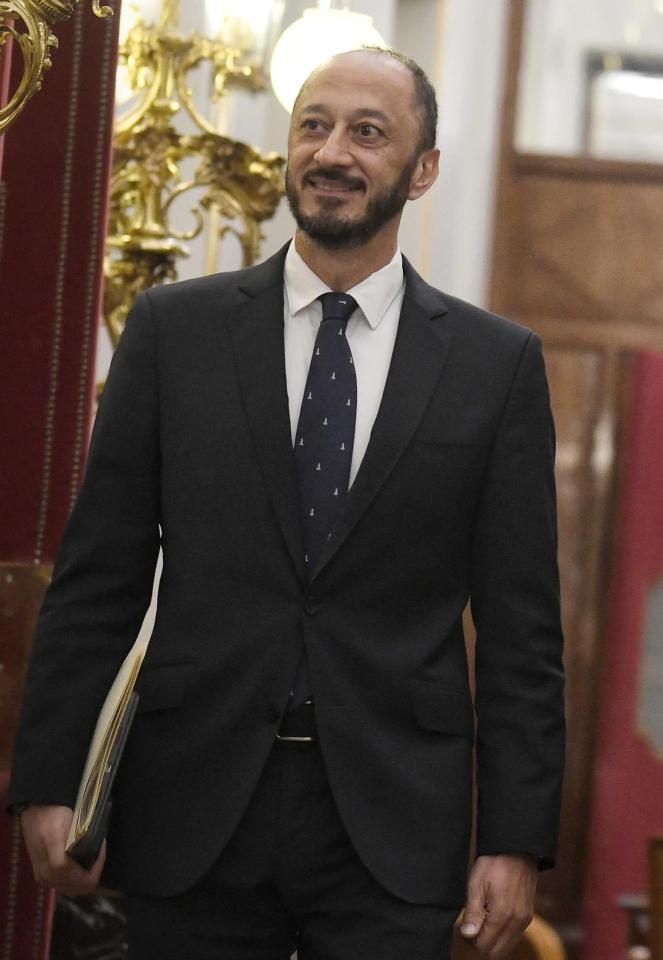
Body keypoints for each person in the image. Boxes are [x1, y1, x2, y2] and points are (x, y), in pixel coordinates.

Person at [7, 49, 565, 960]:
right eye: (314, 124)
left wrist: (513, 838)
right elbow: (96, 579)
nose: (332, 151)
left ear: (422, 171)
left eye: (368, 132)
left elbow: (522, 632)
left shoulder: (494, 367)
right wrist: (49, 777)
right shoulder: (171, 333)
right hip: (189, 805)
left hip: (392, 822)